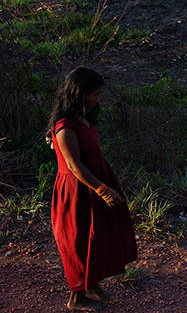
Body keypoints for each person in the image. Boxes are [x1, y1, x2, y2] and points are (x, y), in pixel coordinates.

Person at [49, 67, 136, 312]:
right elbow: (75, 167)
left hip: (93, 184)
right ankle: (76, 297)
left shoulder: (83, 119)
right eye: (94, 94)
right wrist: (104, 190)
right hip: (77, 190)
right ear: (79, 94)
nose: (98, 99)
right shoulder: (65, 127)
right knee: (77, 240)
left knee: (96, 236)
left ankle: (92, 284)